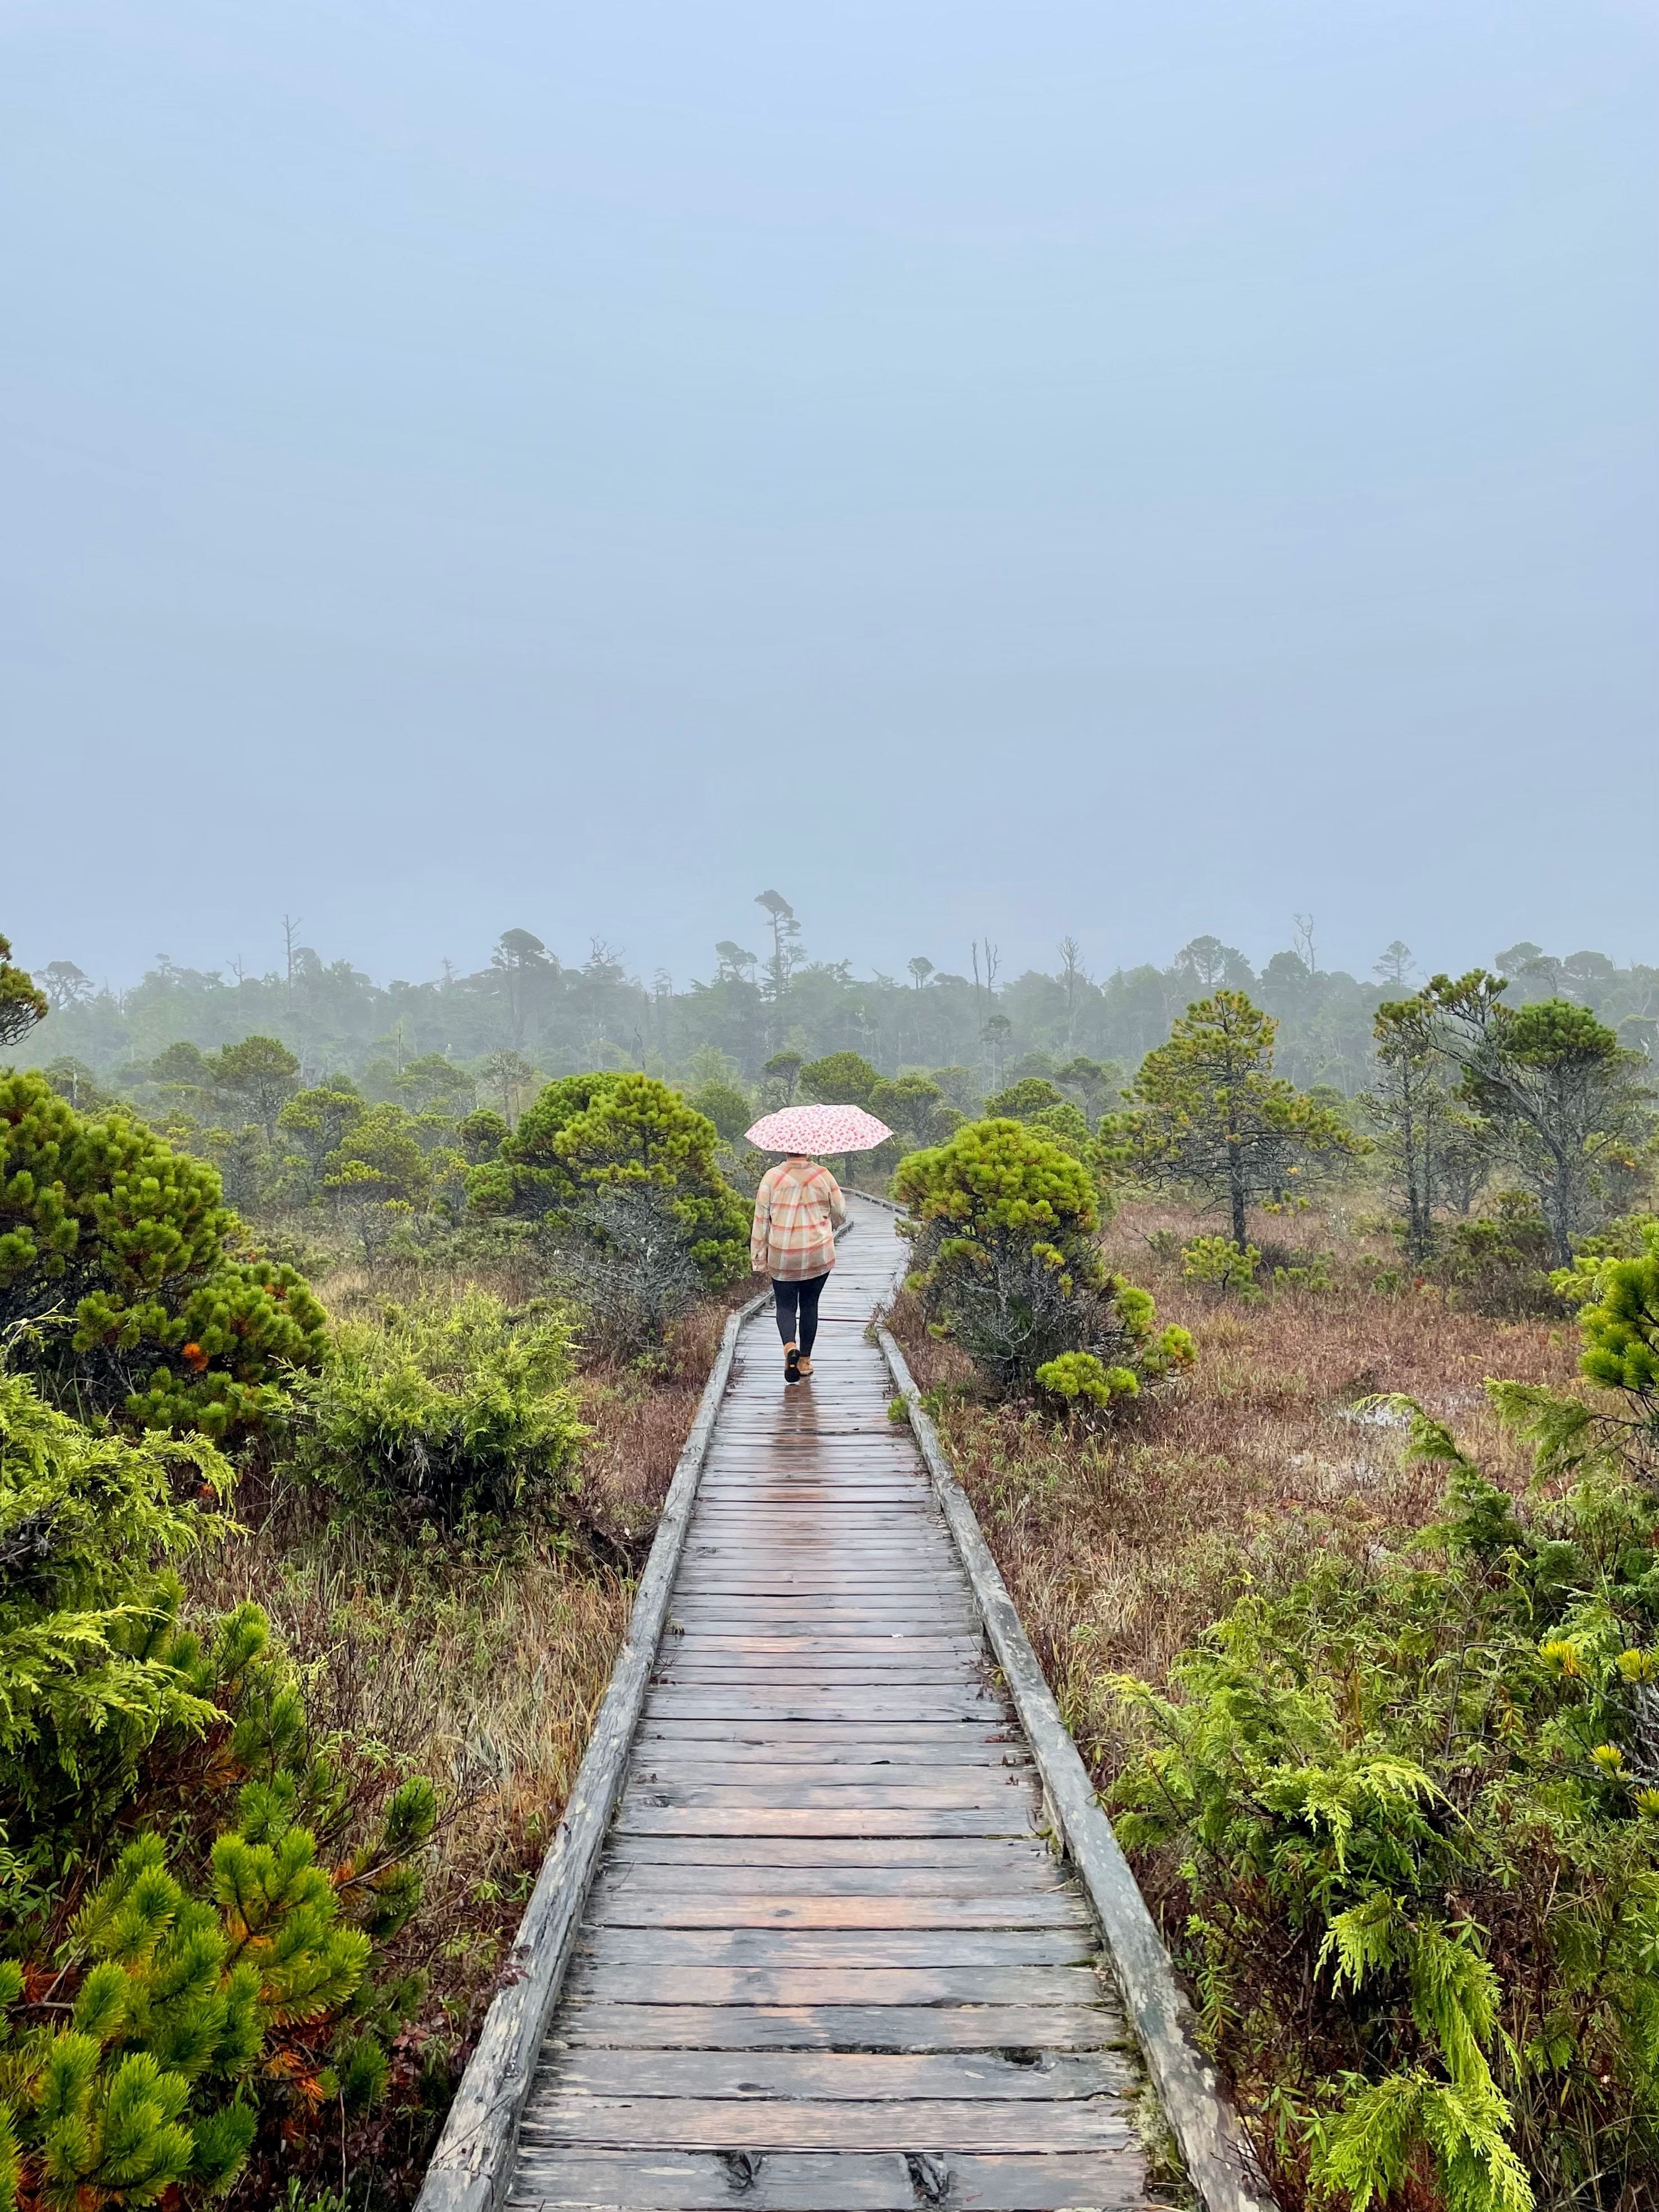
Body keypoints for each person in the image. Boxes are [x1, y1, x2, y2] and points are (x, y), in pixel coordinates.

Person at [750, 1151, 846, 1383]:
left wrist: (758, 1259)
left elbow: (761, 1221)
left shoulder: (772, 1178)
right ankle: (804, 1361)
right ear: (809, 1150)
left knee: (785, 1306)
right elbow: (841, 1212)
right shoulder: (824, 1175)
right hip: (817, 1253)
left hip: (783, 1255)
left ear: (785, 1150)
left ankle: (789, 1346)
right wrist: (827, 1220)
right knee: (810, 1304)